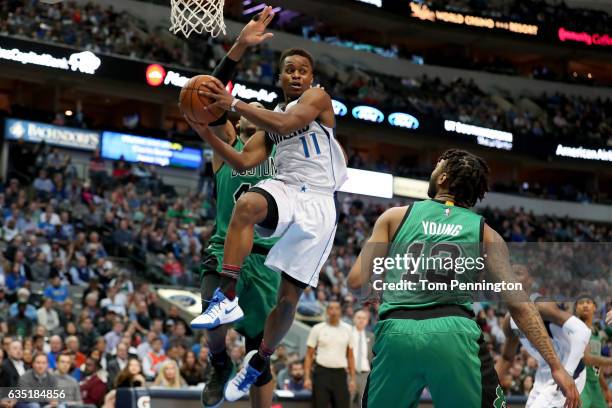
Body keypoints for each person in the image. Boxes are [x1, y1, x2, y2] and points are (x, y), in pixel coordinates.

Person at [187, 6, 347, 400]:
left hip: (318, 204)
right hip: (282, 197)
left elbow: (284, 123)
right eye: (288, 69)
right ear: (278, 77)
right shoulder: (257, 132)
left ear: (311, 79)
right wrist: (239, 47)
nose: (295, 74)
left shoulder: (313, 101)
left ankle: (258, 360)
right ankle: (224, 304)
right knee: (247, 208)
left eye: (302, 70)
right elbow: (239, 153)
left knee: (288, 302)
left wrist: (234, 105)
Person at [346, 149, 579, 408]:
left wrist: (367, 293)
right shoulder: (486, 233)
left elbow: (355, 281)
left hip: (396, 332)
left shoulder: (394, 216)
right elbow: (519, 304)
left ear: (444, 178)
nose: (433, 169)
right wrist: (555, 366)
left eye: (438, 166)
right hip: (454, 333)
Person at [189, 97, 280, 407]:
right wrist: (239, 47)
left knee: (259, 356)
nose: (252, 110)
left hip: (266, 258)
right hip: (225, 249)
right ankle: (219, 362)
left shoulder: (280, 153)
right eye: (246, 109)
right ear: (236, 123)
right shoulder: (226, 146)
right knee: (212, 315)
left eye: (259, 108)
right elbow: (207, 100)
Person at [496, 265, 591, 408]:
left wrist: (568, 373)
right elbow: (506, 359)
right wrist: (487, 389)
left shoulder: (541, 305)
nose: (513, 278)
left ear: (530, 281)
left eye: (518, 273)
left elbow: (582, 331)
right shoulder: (509, 322)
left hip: (569, 370)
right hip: (543, 375)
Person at [575, 295, 612, 408]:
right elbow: (587, 360)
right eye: (581, 303)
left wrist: (605, 388)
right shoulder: (574, 329)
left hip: (594, 384)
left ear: (595, 307)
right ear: (576, 308)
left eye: (588, 302)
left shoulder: (597, 333)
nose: (585, 305)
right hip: (579, 384)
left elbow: (596, 366)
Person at [351, 309, 373, 408]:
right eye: (359, 318)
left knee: (364, 403)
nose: (361, 320)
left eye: (364, 318)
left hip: (365, 374)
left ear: (367, 321)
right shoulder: (348, 333)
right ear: (354, 319)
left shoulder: (371, 336)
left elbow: (372, 356)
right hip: (350, 374)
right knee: (348, 401)